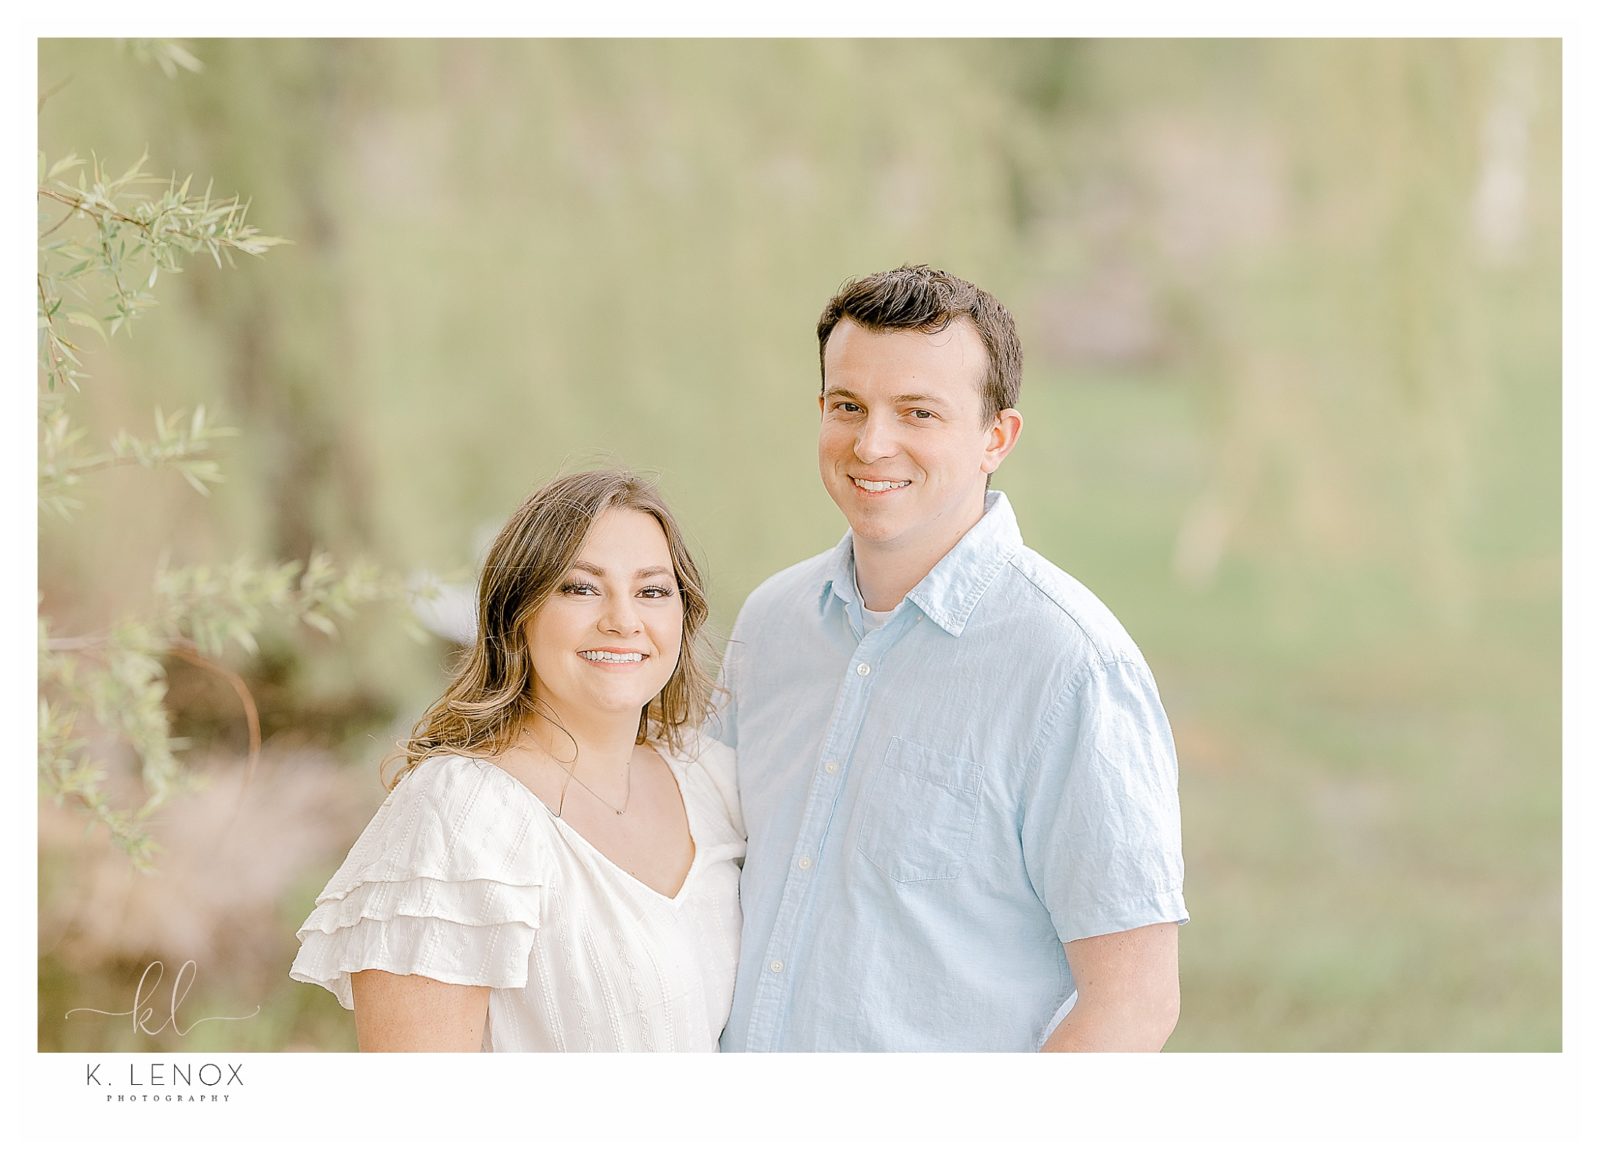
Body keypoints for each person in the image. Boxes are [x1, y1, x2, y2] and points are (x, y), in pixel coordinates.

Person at [714, 265, 1188, 1052]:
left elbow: (1133, 1004)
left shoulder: (1070, 665)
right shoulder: (770, 626)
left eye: (918, 412)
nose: (872, 443)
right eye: (848, 406)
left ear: (995, 438)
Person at [290, 469, 743, 1051]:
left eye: (652, 590)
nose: (624, 619)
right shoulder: (458, 815)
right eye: (581, 587)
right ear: (516, 615)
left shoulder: (708, 779)